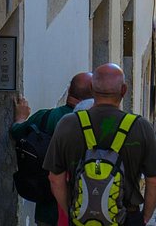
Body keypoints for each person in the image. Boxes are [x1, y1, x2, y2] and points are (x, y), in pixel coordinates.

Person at [44, 64, 156, 226]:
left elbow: (55, 179)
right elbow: (155, 181)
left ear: (91, 88)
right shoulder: (141, 127)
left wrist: (71, 212)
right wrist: (144, 218)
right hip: (127, 217)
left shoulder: (68, 124)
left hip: (81, 218)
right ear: (124, 90)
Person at [9, 72, 93, 226]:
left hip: (46, 208)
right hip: (84, 209)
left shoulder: (46, 117)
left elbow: (16, 131)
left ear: (69, 90)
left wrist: (21, 117)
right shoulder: (93, 124)